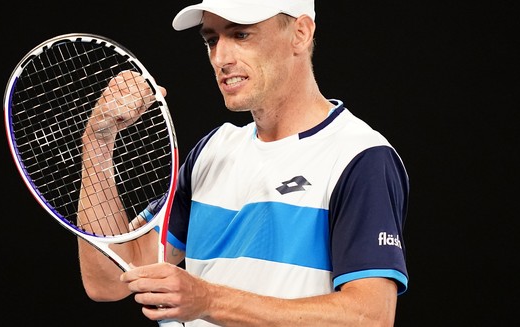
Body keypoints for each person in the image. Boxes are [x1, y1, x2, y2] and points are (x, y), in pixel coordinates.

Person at [76, 0, 409, 326]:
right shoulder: (213, 151)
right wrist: (98, 140)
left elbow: (371, 317)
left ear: (301, 33)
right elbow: (109, 281)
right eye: (211, 40)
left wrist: (208, 301)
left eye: (241, 35)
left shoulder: (359, 156)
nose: (220, 58)